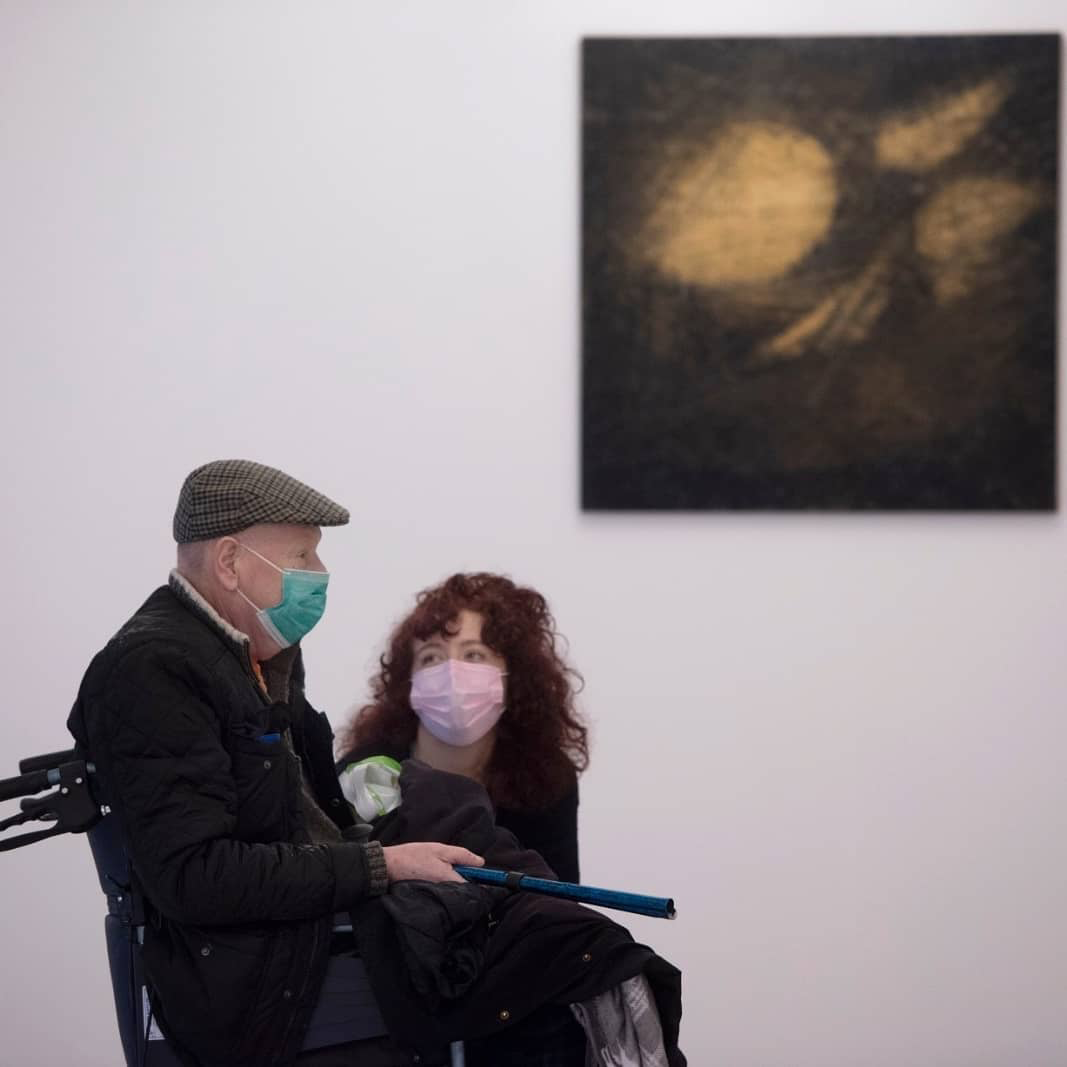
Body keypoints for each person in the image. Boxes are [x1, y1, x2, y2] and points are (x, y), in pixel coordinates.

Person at [67, 459, 482, 1067]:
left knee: (537, 923)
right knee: (531, 984)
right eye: (303, 555)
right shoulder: (152, 671)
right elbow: (196, 876)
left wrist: (389, 851)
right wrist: (380, 866)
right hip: (259, 978)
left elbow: (307, 817)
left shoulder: (260, 656)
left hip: (309, 932)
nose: (320, 574)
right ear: (231, 563)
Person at [337, 572, 589, 883]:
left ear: (514, 676)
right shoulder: (365, 774)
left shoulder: (545, 778)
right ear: (409, 683)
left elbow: (561, 904)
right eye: (431, 657)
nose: (452, 672)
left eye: (474, 655)